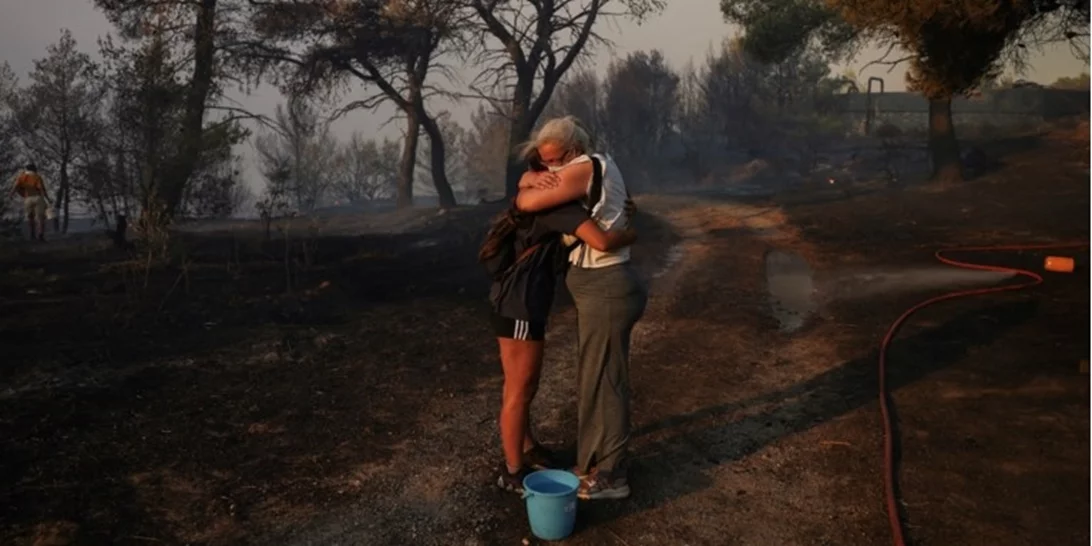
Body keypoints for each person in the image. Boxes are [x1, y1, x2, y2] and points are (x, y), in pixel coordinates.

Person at [480, 158, 638, 494]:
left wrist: (528, 178)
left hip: (512, 300)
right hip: (520, 305)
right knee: (520, 389)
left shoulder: (539, 199)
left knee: (520, 386)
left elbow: (523, 193)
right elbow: (603, 242)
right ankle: (512, 471)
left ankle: (525, 448)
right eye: (556, 167)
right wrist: (631, 232)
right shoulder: (558, 209)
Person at [514, 115, 648, 500]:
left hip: (606, 286)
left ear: (573, 151)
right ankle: (591, 462)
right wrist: (532, 178)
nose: (549, 169)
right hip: (600, 286)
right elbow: (527, 189)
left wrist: (531, 184)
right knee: (593, 377)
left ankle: (612, 475)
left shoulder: (586, 166)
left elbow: (527, 202)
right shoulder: (585, 169)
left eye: (553, 161)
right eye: (542, 161)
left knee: (606, 380)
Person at [9, 164, 51, 241]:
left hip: (27, 198)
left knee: (30, 217)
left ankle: (32, 234)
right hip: (38, 197)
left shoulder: (21, 177)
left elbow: (15, 186)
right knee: (40, 217)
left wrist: (11, 194)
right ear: (34, 169)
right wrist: (48, 199)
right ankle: (40, 235)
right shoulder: (37, 177)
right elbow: (42, 189)